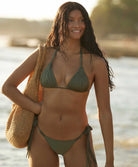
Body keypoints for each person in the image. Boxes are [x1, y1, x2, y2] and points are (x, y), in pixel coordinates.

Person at [1, 1, 114, 167]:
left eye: (81, 20)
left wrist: (110, 159)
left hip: (77, 139)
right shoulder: (44, 54)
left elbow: (104, 111)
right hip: (42, 136)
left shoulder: (95, 62)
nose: (77, 25)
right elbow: (7, 87)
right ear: (60, 22)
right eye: (71, 20)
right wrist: (36, 108)